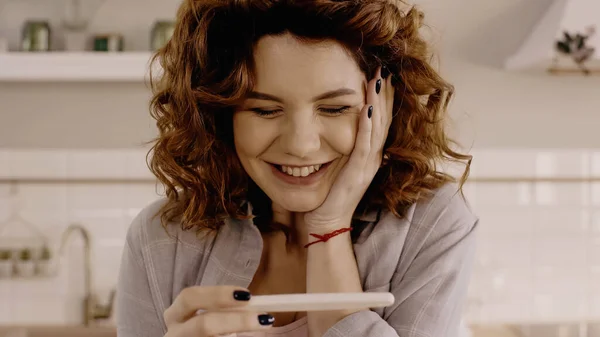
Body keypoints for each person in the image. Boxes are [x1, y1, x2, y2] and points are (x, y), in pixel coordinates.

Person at [115, 1, 479, 336]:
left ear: (383, 106)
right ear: (220, 116)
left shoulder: (432, 223)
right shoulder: (161, 240)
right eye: (264, 110)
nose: (300, 145)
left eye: (335, 109)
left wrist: (329, 227)